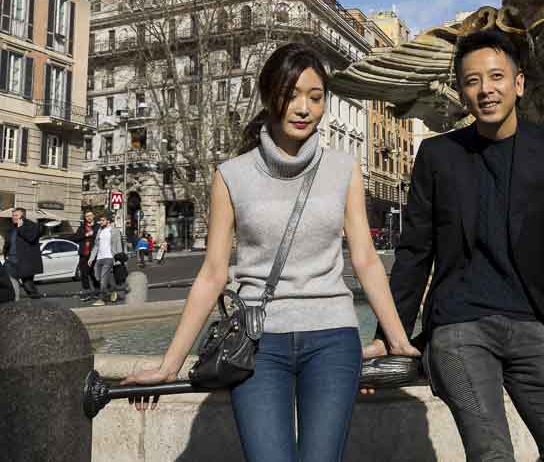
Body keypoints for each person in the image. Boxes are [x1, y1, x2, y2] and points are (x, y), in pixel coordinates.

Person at [121, 43, 419, 462]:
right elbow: (212, 275)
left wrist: (397, 339)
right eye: (291, 94)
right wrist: (170, 363)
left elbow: (366, 259)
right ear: (268, 96)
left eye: (315, 98)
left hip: (332, 339)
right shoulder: (231, 175)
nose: (303, 108)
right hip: (259, 345)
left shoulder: (344, 169)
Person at [364, 29, 544, 462]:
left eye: (496, 76)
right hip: (459, 327)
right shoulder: (438, 156)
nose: (486, 90)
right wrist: (390, 334)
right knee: (492, 454)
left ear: (518, 85)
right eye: (473, 80)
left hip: (532, 325)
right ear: (462, 91)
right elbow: (415, 253)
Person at [3, 208, 42, 298]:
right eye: (13, 215)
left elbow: (31, 238)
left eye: (16, 215)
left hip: (24, 262)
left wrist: (21, 228)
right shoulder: (12, 228)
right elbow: (8, 242)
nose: (13, 217)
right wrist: (6, 254)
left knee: (28, 286)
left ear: (22, 216)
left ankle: (37, 304)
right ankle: (14, 303)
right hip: (11, 262)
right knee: (8, 283)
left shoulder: (32, 226)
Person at [89, 213, 126, 305]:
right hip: (99, 258)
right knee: (97, 277)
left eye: (102, 220)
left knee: (103, 279)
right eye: (100, 220)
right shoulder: (100, 231)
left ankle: (102, 299)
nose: (100, 222)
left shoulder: (115, 231)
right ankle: (114, 290)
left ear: (108, 221)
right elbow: (96, 245)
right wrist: (91, 257)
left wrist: (118, 258)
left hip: (109, 257)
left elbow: (118, 245)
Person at [74, 210, 98, 297]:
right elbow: (76, 237)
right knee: (84, 273)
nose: (89, 217)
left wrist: (93, 234)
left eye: (90, 215)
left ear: (93, 216)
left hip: (94, 254)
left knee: (93, 273)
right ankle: (87, 291)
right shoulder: (82, 228)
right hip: (83, 254)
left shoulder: (97, 227)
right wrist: (86, 235)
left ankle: (97, 290)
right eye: (87, 216)